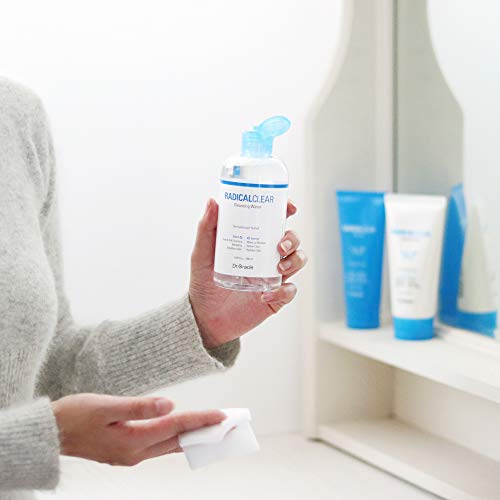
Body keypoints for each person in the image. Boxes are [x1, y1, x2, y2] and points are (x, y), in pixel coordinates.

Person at [0, 78, 307, 500]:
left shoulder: (16, 116)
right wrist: (40, 439)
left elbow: (49, 368)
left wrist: (200, 324)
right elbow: (44, 422)